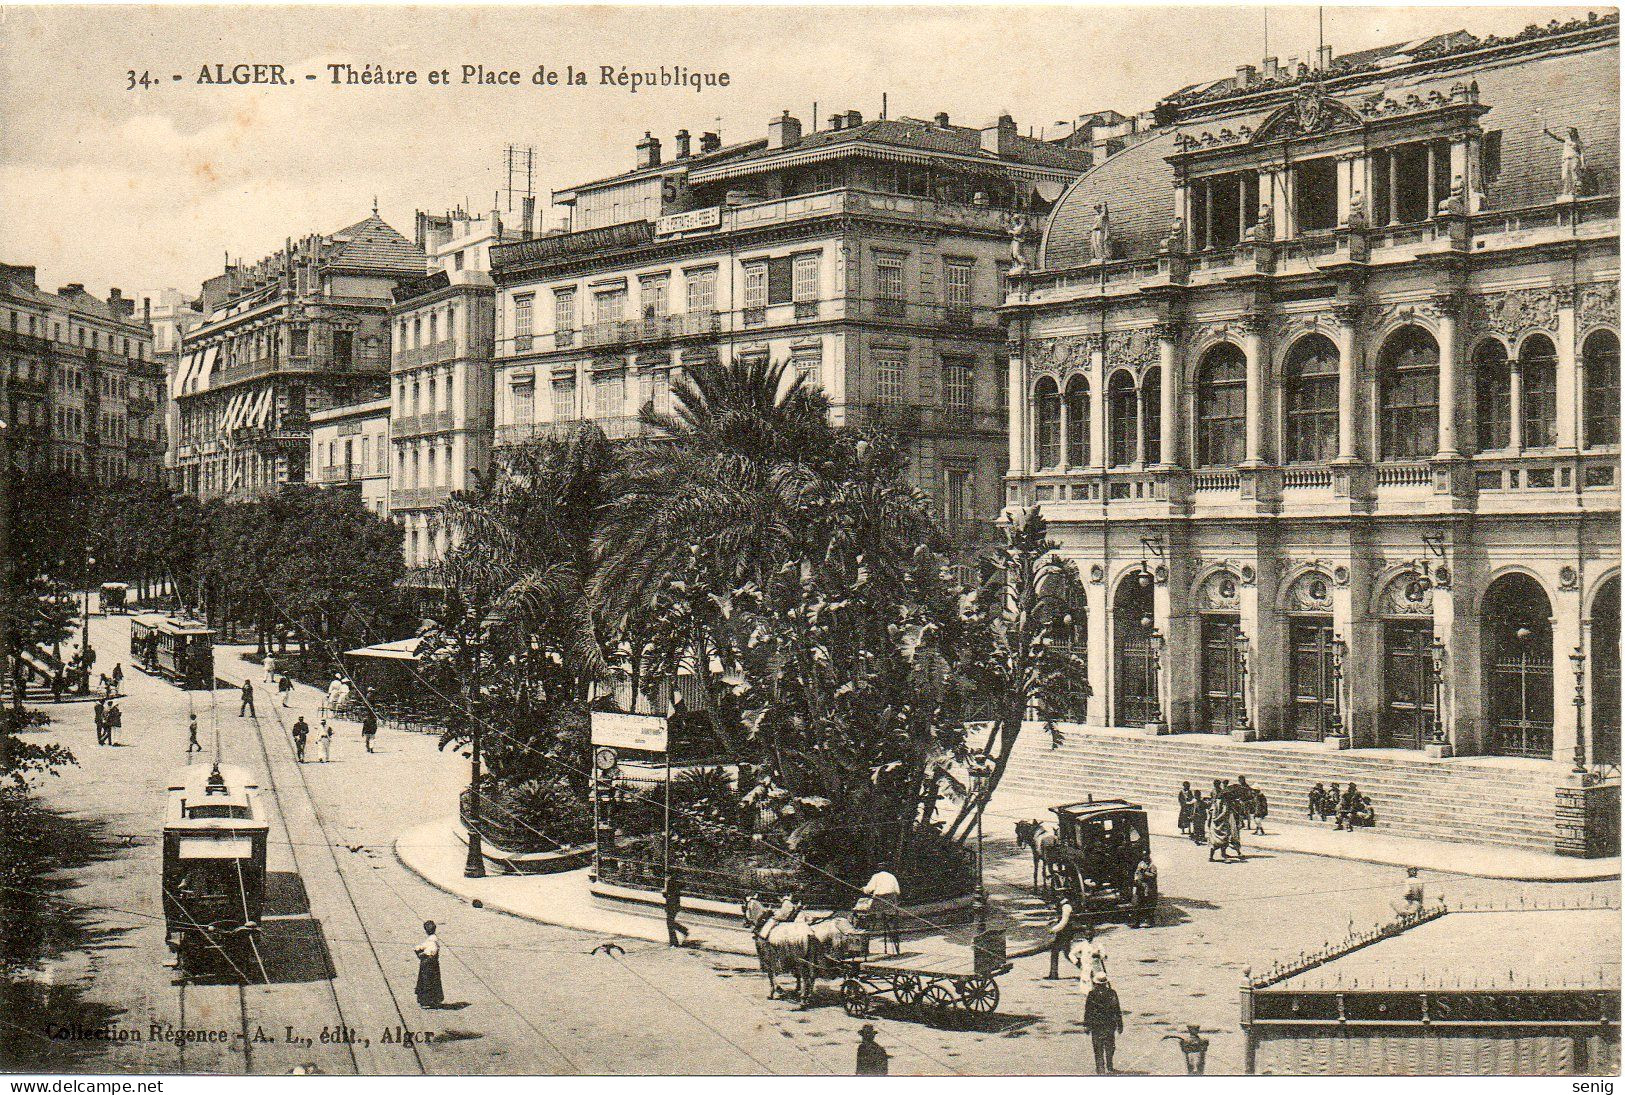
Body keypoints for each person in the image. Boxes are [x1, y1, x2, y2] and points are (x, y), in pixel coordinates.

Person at [1083, 972, 1124, 1074]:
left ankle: (1100, 1068)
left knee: (1098, 1047)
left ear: (1096, 983)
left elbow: (1088, 1011)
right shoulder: (1112, 993)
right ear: (1105, 983)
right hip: (1109, 1024)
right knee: (1109, 1046)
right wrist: (1120, 1024)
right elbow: (1117, 1010)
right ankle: (1109, 1066)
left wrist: (1087, 1025)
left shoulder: (1092, 994)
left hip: (1096, 1024)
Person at [861, 861, 902, 953]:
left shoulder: (876, 876)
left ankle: (864, 947)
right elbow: (897, 891)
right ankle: (897, 947)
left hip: (879, 902)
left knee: (865, 918)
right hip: (891, 902)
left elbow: (868, 889)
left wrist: (863, 889)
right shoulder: (892, 876)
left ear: (878, 869)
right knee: (893, 924)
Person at [1046, 892, 1077, 980]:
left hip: (1066, 933)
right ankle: (1053, 974)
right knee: (1057, 951)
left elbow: (1064, 922)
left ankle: (1086, 969)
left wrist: (1053, 929)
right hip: (1063, 933)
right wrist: (1054, 920)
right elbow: (1061, 918)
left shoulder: (1066, 907)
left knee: (1067, 954)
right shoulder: (1063, 905)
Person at [414, 920, 444, 1008]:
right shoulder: (433, 939)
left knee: (427, 981)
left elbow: (431, 951)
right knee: (433, 981)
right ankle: (433, 1000)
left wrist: (420, 953)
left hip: (428, 964)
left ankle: (427, 1000)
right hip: (432, 964)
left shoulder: (432, 941)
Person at [1129, 857, 1159, 929]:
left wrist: (1144, 872)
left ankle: (1150, 922)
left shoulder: (1152, 866)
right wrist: (1136, 879)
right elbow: (1137, 873)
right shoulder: (1141, 864)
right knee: (1138, 905)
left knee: (1149, 905)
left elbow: (1153, 875)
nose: (1145, 861)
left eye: (1146, 859)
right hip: (1140, 887)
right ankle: (1136, 923)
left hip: (1149, 888)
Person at [663, 875, 690, 947]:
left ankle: (674, 943)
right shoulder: (672, 882)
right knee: (670, 923)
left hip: (672, 905)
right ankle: (683, 931)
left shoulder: (671, 882)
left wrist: (665, 887)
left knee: (669, 923)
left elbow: (668, 894)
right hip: (673, 905)